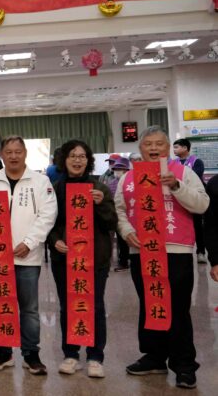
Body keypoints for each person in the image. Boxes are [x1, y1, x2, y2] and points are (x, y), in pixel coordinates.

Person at [116, 126, 208, 389]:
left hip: (176, 250)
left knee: (178, 309)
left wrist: (176, 186)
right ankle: (154, 357)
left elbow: (202, 204)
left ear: (168, 148)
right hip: (142, 251)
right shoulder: (129, 177)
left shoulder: (183, 172)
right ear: (140, 148)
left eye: (159, 144)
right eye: (148, 144)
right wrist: (127, 231)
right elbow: (119, 209)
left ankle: (184, 365)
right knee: (149, 304)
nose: (154, 148)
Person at [0, 136, 57, 375]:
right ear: (2, 154)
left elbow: (48, 215)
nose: (13, 156)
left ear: (25, 153)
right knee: (1, 305)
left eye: (17, 151)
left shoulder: (40, 181)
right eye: (8, 152)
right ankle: (4, 351)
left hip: (27, 256)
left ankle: (31, 354)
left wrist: (30, 243)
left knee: (29, 308)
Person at [46, 140, 117, 378]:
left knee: (95, 306)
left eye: (82, 156)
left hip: (95, 259)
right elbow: (48, 222)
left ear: (88, 160)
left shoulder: (99, 188)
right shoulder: (56, 188)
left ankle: (95, 356)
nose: (77, 160)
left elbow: (111, 222)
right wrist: (54, 241)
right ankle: (71, 354)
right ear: (64, 160)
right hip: (65, 258)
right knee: (68, 305)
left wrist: (101, 204)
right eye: (72, 156)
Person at [172, 139, 207, 264]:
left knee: (198, 226)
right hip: (177, 198)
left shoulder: (197, 162)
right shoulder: (173, 163)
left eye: (176, 147)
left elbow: (195, 177)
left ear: (185, 148)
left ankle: (201, 252)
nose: (174, 150)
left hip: (193, 198)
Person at [103, 157, 132, 271]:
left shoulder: (131, 182)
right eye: (116, 169)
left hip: (130, 215)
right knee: (120, 240)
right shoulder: (111, 183)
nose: (117, 171)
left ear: (126, 170)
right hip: (114, 215)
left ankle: (128, 260)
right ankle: (122, 261)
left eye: (120, 169)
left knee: (127, 239)